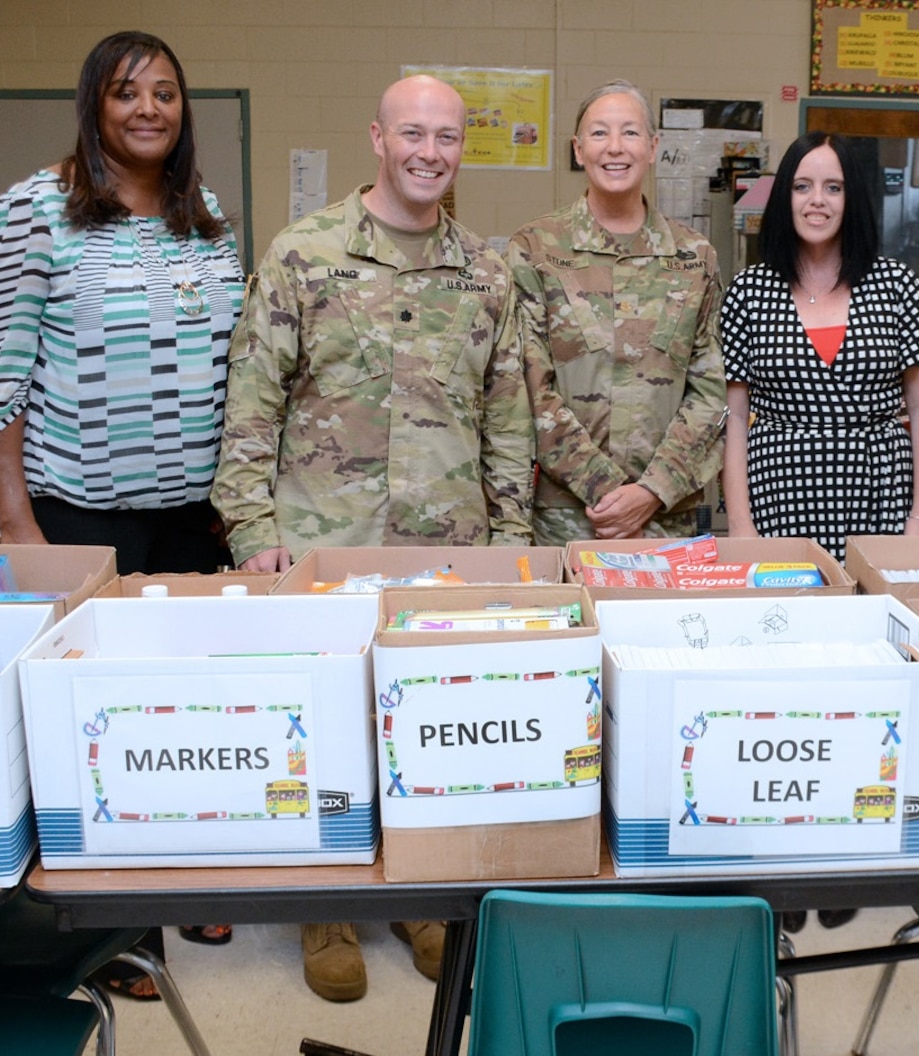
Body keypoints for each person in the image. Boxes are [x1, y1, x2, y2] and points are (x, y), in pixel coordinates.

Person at [210, 74, 531, 1001]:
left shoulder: (485, 269)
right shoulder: (305, 255)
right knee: (331, 724)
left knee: (428, 723)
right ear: (378, 140)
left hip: (447, 550)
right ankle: (328, 910)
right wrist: (253, 529)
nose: (431, 152)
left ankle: (423, 901)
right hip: (324, 542)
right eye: (413, 134)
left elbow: (507, 416)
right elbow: (252, 401)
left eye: (448, 138)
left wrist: (508, 544)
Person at [0, 30, 245, 999]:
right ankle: (117, 931)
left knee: (185, 714)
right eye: (128, 93)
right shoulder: (33, 211)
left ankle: (184, 877)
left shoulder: (200, 211)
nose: (150, 110)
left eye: (166, 92)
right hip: (79, 513)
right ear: (94, 104)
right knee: (97, 724)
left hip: (188, 519)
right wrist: (16, 524)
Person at [507, 80, 725, 547]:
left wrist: (652, 491)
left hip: (667, 517)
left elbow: (711, 390)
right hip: (570, 517)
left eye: (629, 133)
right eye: (599, 133)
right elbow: (529, 387)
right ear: (578, 148)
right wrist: (608, 493)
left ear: (652, 146)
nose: (615, 147)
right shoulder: (535, 249)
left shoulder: (693, 256)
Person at [719, 131, 919, 563]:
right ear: (784, 198)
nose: (816, 200)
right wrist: (739, 524)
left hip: (881, 496)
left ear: (853, 198)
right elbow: (734, 418)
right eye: (801, 186)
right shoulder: (748, 292)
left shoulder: (897, 285)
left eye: (834, 188)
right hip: (777, 499)